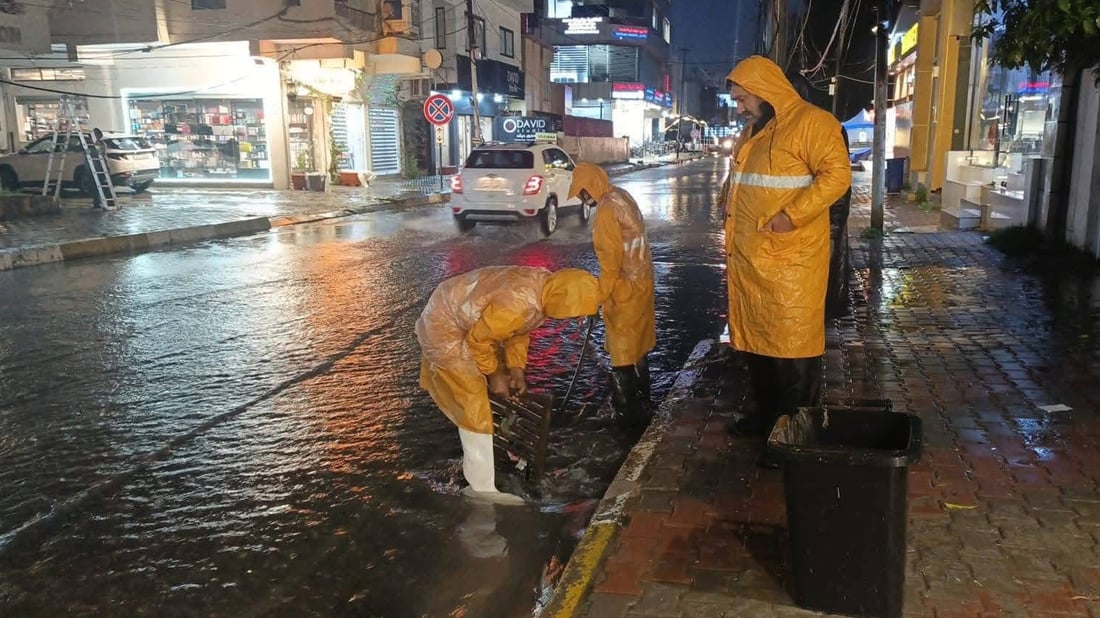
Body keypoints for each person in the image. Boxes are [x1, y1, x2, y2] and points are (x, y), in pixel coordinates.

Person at [721, 56, 852, 461]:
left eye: (743, 98)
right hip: (752, 260)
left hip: (791, 262)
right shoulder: (754, 130)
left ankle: (793, 439)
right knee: (758, 349)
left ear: (764, 91)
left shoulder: (813, 123)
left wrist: (791, 216)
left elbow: (837, 175)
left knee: (792, 355)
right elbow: (741, 178)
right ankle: (766, 419)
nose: (739, 107)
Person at [416, 266, 601, 502]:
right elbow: (479, 339)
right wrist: (495, 375)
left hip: (468, 318)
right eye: (574, 314)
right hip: (445, 324)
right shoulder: (518, 304)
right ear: (562, 301)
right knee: (472, 403)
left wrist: (516, 370)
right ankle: (481, 487)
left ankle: (497, 448)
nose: (574, 320)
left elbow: (518, 331)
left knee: (486, 380)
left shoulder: (543, 290)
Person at [567, 162, 656, 430]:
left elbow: (610, 266)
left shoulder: (606, 212)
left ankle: (626, 416)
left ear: (590, 186)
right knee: (638, 347)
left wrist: (597, 299)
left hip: (624, 290)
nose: (582, 198)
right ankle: (645, 402)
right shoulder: (621, 196)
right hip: (642, 282)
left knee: (622, 354)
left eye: (582, 192)